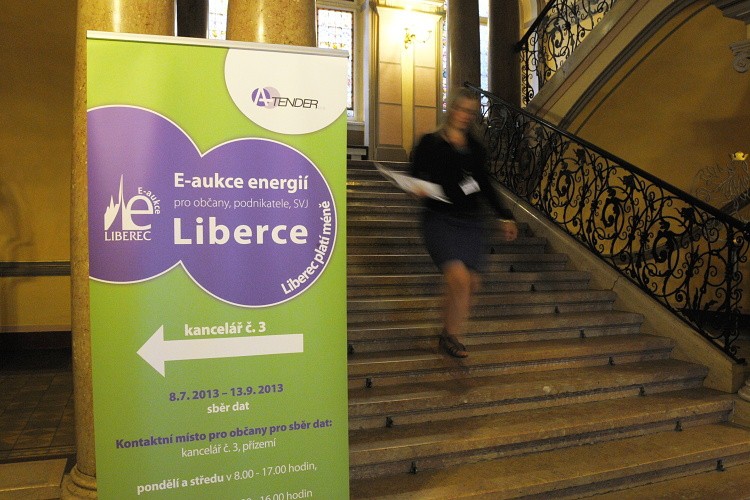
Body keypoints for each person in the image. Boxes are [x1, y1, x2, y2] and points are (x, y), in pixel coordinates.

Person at [410, 88, 518, 358]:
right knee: (458, 279)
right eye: (461, 109)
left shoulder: (476, 149)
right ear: (451, 109)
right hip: (439, 219)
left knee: (470, 284)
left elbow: (485, 185)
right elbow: (413, 175)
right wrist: (417, 187)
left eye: (471, 112)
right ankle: (452, 337)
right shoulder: (430, 142)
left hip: (471, 222)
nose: (465, 115)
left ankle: (447, 333)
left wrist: (504, 215)